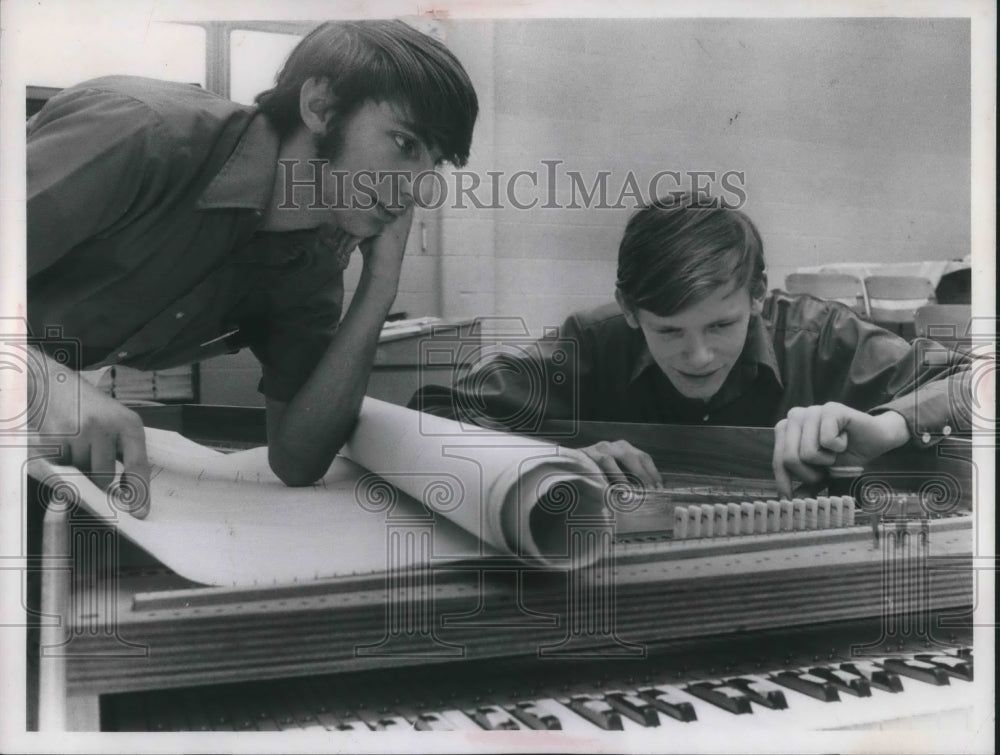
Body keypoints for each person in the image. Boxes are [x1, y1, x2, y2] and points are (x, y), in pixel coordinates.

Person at [26, 20, 479, 515]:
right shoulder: (139, 132)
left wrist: (380, 287)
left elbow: (298, 460)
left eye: (433, 163)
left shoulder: (309, 265)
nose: (419, 189)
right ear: (320, 107)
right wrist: (40, 380)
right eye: (405, 143)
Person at [411, 194, 972, 498]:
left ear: (756, 295)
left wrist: (890, 424)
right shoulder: (592, 338)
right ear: (630, 311)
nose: (699, 356)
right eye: (669, 331)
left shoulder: (820, 336)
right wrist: (550, 459)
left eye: (721, 326)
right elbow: (428, 417)